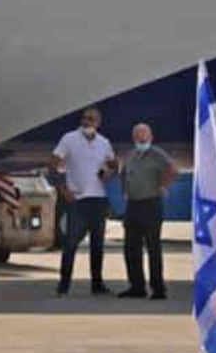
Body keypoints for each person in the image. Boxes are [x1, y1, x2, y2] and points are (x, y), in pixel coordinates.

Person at [52, 108, 117, 296]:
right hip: (77, 200)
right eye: (85, 118)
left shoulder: (104, 143)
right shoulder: (69, 139)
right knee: (71, 243)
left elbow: (114, 164)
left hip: (98, 199)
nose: (87, 122)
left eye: (92, 119)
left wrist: (108, 173)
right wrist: (63, 190)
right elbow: (53, 163)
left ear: (98, 123)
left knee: (97, 244)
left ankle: (97, 284)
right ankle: (64, 284)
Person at [118, 123, 176, 300]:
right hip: (133, 206)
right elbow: (123, 173)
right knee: (131, 248)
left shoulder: (157, 154)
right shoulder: (131, 155)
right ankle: (137, 287)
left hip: (151, 204)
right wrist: (125, 191)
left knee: (153, 247)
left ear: (150, 138)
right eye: (137, 137)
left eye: (143, 137)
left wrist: (164, 186)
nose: (140, 140)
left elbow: (172, 169)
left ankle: (158, 288)